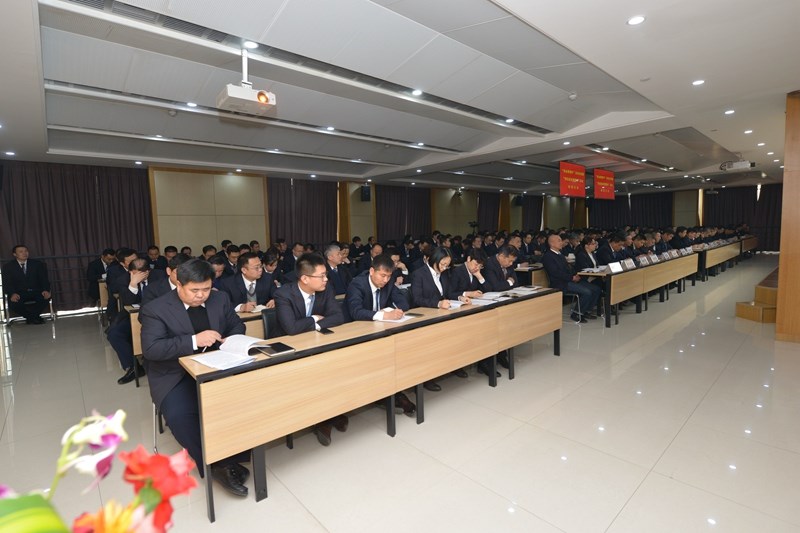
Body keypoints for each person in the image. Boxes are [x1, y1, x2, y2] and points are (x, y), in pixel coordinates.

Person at [140, 259, 250, 497]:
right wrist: (193, 341)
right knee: (181, 415)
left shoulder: (220, 299)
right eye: (194, 290)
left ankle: (235, 452)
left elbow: (236, 326)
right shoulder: (155, 309)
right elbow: (151, 349)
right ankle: (217, 465)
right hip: (174, 374)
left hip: (216, 366)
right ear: (179, 284)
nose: (201, 295)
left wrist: (229, 341)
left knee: (241, 400)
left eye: (206, 289)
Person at [273, 253, 346, 446]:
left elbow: (338, 316)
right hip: (291, 351)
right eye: (321, 276)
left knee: (336, 368)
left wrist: (312, 325)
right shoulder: (284, 294)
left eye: (326, 275)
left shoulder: (326, 289)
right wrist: (314, 319)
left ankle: (331, 412)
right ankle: (321, 420)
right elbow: (291, 328)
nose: (326, 279)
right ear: (305, 278)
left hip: (316, 343)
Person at [343, 254, 416, 416]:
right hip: (356, 332)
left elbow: (403, 302)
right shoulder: (357, 284)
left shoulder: (388, 283)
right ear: (371, 271)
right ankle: (380, 394)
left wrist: (396, 310)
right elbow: (356, 312)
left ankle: (392, 392)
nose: (385, 280)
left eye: (389, 276)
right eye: (382, 275)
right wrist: (383, 315)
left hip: (378, 329)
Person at [410, 246, 470, 391]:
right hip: (426, 317)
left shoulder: (444, 274)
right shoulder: (419, 274)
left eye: (447, 265)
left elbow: (448, 293)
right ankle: (428, 378)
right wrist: (437, 303)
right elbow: (417, 299)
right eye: (442, 264)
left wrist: (460, 297)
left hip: (442, 313)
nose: (444, 268)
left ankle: (454, 365)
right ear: (434, 260)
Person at [542, 234, 602, 324]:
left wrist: (576, 274)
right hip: (560, 283)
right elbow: (555, 273)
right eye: (559, 241)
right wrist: (572, 277)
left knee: (596, 289)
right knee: (587, 292)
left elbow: (569, 269)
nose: (561, 242)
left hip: (569, 280)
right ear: (552, 243)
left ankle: (586, 311)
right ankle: (576, 314)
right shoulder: (548, 256)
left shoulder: (560, 254)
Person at [2, 245, 51, 324]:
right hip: (19, 293)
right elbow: (7, 282)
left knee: (45, 298)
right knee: (13, 303)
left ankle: (31, 318)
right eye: (21, 252)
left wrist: (46, 290)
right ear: (15, 254)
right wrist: (12, 293)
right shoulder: (8, 267)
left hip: (36, 291)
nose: (24, 253)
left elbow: (44, 279)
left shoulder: (37, 264)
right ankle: (33, 317)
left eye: (26, 251)